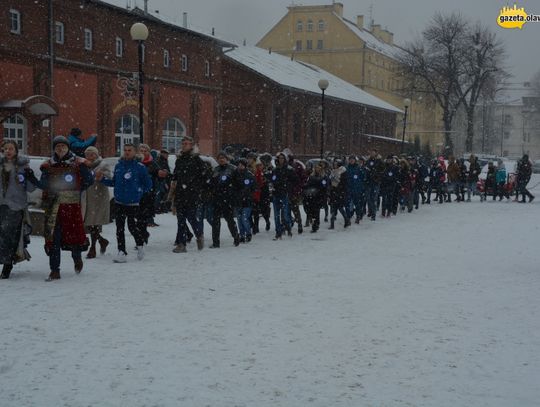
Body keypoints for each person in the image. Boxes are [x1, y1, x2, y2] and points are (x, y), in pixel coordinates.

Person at [40, 136, 94, 280]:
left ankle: (77, 258)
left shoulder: (78, 162)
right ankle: (55, 269)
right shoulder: (48, 164)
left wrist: (78, 189)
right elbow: (43, 182)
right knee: (53, 238)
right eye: (58, 146)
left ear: (68, 148)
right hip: (53, 207)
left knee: (74, 235)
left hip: (71, 205)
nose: (61, 149)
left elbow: (89, 179)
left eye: (63, 146)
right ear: (54, 149)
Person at [97, 143, 152, 262]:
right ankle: (121, 251)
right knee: (119, 228)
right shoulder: (119, 166)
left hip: (133, 202)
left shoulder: (140, 167)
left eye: (130, 150)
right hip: (119, 201)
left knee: (132, 226)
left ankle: (140, 244)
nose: (127, 152)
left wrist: (139, 192)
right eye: (125, 150)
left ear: (135, 152)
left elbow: (148, 184)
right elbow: (114, 182)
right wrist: (102, 180)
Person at [0, 141, 37, 279]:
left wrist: (30, 176)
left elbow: (31, 188)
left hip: (15, 206)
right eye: (5, 149)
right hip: (1, 204)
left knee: (9, 237)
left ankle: (7, 265)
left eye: (11, 148)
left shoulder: (22, 167)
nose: (8, 151)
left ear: (16, 150)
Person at [169, 136, 209, 253]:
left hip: (192, 194)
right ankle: (181, 244)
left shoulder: (196, 160)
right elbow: (175, 175)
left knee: (191, 218)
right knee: (180, 220)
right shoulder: (179, 159)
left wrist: (197, 187)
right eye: (183, 143)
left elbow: (205, 175)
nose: (185, 145)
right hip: (180, 193)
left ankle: (199, 235)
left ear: (192, 145)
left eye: (187, 143)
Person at [82, 146, 110, 259]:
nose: (90, 157)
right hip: (87, 197)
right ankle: (102, 240)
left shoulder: (103, 165)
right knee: (89, 222)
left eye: (92, 154)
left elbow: (110, 177)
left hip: (99, 197)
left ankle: (92, 248)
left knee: (94, 222)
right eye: (87, 155)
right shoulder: (84, 165)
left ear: (96, 154)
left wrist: (102, 176)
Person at [210, 152, 240, 248]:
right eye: (219, 158)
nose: (221, 160)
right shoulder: (216, 169)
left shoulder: (233, 169)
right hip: (217, 198)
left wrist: (234, 195)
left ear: (227, 159)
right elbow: (212, 183)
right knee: (215, 221)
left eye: (223, 158)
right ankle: (215, 242)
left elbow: (238, 183)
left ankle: (236, 236)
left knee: (230, 220)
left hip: (228, 199)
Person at [269, 152, 297, 240]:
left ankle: (288, 227)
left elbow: (295, 180)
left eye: (282, 158)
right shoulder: (275, 169)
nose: (281, 160)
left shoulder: (289, 169)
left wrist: (287, 185)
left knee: (285, 214)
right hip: (276, 194)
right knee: (276, 215)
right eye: (279, 158)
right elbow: (272, 180)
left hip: (284, 194)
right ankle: (278, 232)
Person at [302, 162, 329, 233]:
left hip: (318, 196)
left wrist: (321, 193)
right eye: (316, 167)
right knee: (309, 211)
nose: (317, 169)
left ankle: (315, 225)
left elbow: (324, 186)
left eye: (318, 167)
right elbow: (308, 184)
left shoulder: (324, 176)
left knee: (316, 212)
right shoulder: (311, 176)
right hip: (310, 196)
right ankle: (313, 222)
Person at [233, 158, 255, 243]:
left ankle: (248, 233)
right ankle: (242, 235)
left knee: (244, 218)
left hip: (247, 201)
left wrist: (247, 193)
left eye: (241, 165)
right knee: (239, 219)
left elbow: (254, 186)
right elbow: (233, 186)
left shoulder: (249, 175)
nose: (240, 166)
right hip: (238, 200)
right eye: (239, 164)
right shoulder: (235, 174)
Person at [138, 144, 158, 228]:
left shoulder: (152, 162)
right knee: (139, 205)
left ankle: (150, 220)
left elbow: (157, 173)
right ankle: (140, 220)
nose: (143, 153)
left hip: (150, 187)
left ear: (148, 152)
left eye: (145, 151)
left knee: (149, 203)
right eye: (141, 151)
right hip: (138, 188)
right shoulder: (136, 162)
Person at [287, 152, 307, 234]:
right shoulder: (284, 166)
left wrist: (299, 188)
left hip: (294, 191)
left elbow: (303, 178)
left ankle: (299, 224)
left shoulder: (297, 166)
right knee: (287, 209)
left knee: (295, 208)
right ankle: (289, 223)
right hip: (286, 191)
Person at [328, 159, 350, 229]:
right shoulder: (333, 172)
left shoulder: (343, 172)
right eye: (334, 164)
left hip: (340, 192)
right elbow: (330, 181)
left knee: (339, 207)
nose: (334, 165)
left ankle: (345, 220)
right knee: (334, 207)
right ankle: (334, 223)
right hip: (333, 192)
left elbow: (344, 183)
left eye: (335, 164)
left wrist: (338, 186)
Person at [365, 149, 384, 221]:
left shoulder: (379, 161)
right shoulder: (368, 161)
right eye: (371, 152)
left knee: (374, 199)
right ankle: (370, 210)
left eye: (374, 152)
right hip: (369, 182)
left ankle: (373, 214)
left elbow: (383, 170)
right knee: (368, 198)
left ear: (376, 153)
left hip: (376, 183)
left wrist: (378, 177)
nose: (372, 153)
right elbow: (366, 169)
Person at [345, 156, 366, 223]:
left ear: (355, 160)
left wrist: (361, 187)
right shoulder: (346, 168)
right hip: (348, 189)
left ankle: (358, 216)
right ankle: (348, 217)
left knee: (357, 204)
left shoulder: (358, 168)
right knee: (348, 204)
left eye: (352, 160)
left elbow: (363, 178)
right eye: (350, 160)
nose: (351, 161)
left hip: (357, 189)